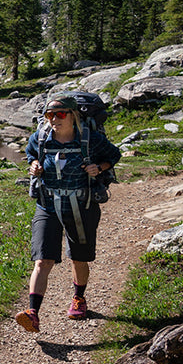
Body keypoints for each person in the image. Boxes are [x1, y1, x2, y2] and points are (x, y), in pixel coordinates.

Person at [15, 94, 122, 332]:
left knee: (78, 257)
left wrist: (99, 167)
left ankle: (79, 298)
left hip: (81, 205)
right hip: (47, 204)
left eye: (60, 114)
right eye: (50, 115)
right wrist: (33, 164)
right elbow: (30, 153)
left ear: (73, 116)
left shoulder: (90, 139)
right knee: (42, 259)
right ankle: (32, 313)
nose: (54, 119)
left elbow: (114, 155)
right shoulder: (41, 138)